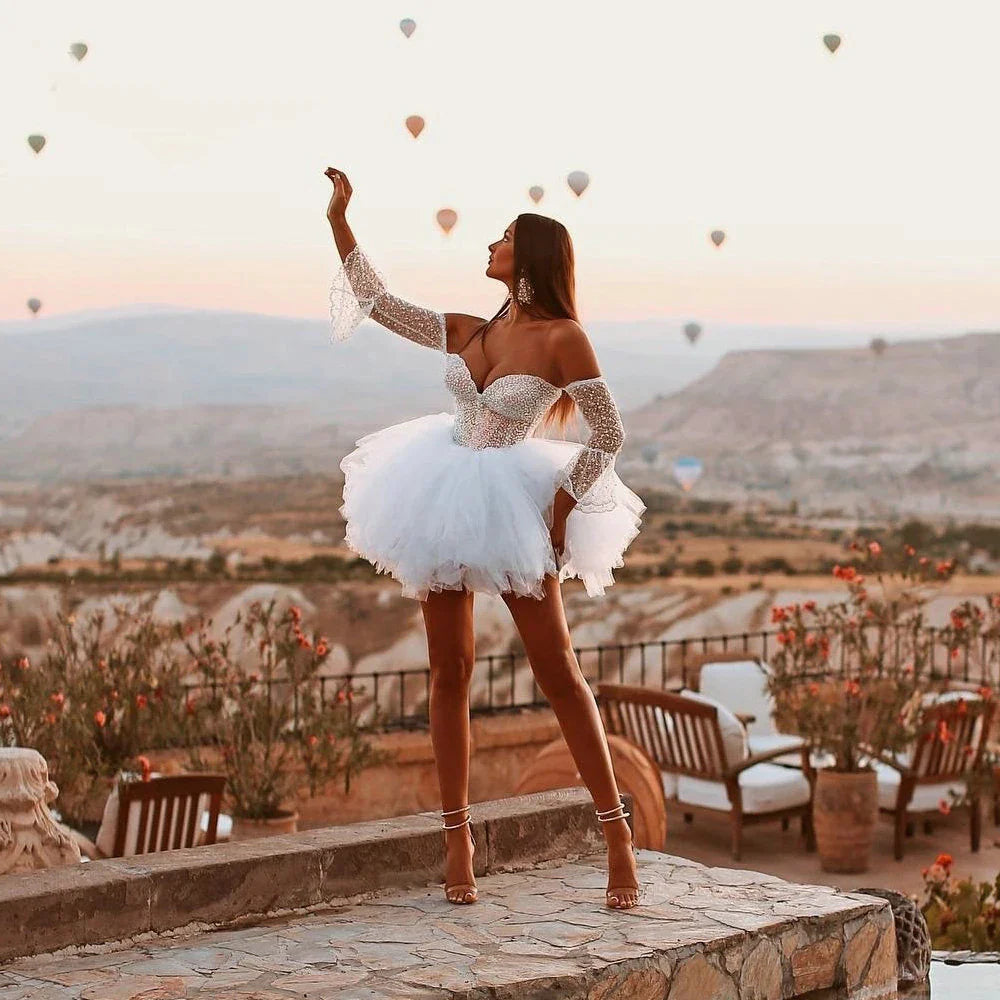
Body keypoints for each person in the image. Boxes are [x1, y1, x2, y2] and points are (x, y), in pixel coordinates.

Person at [325, 167, 646, 909]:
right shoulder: (475, 328)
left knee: (558, 670)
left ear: (529, 258)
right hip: (440, 491)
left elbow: (610, 433)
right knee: (449, 670)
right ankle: (457, 838)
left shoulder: (565, 338)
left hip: (512, 496)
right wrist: (339, 220)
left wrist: (565, 502)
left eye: (503, 237)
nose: (490, 244)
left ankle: (618, 833)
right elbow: (379, 305)